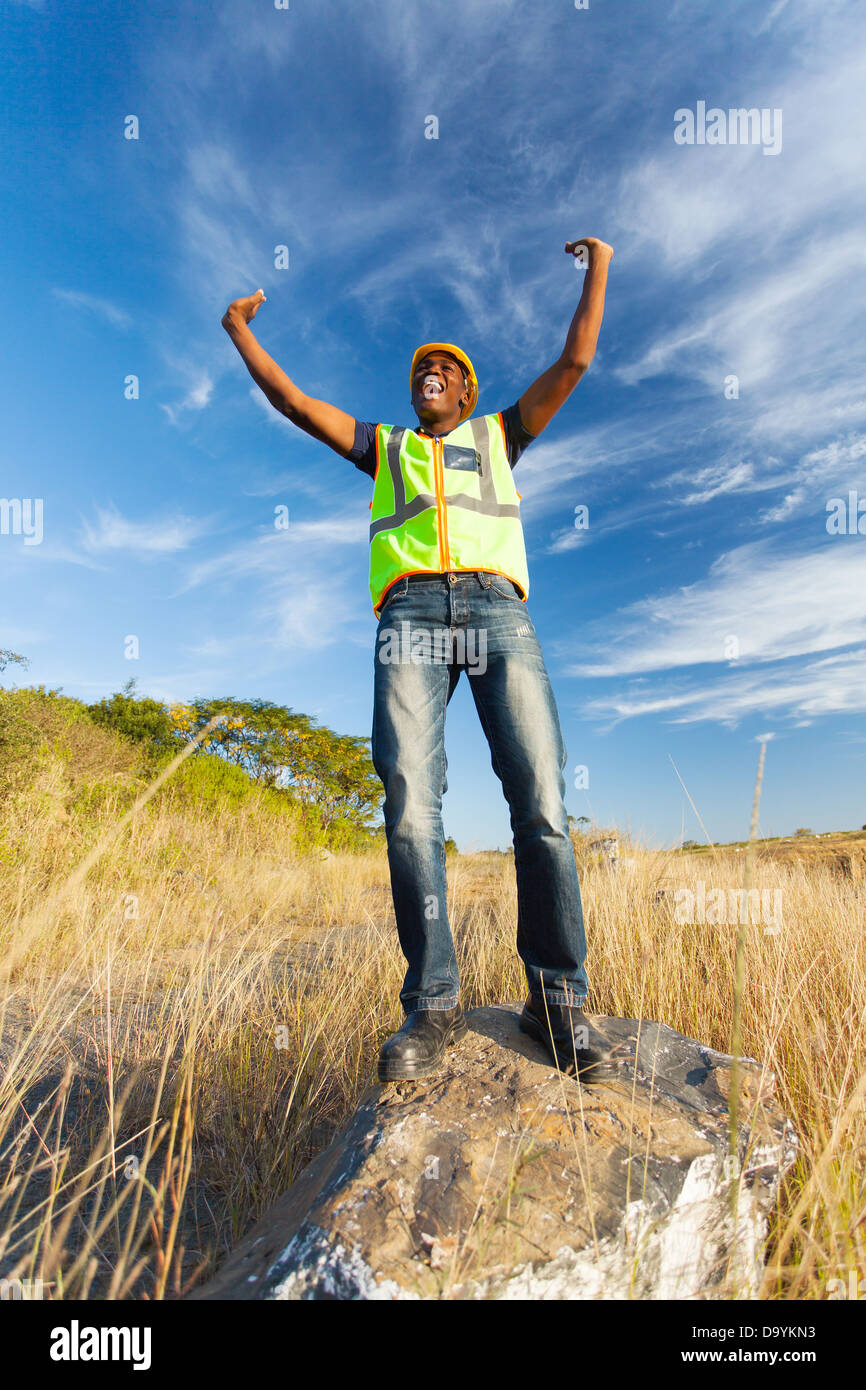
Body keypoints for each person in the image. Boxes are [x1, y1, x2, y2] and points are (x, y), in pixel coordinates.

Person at [222, 237, 626, 1085]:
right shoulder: (385, 448)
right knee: (410, 804)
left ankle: (556, 1001)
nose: (429, 374)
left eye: (445, 368)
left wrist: (599, 266)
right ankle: (432, 1004)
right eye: (420, 371)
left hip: (496, 608)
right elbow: (295, 403)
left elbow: (578, 357)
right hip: (409, 613)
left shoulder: (502, 433)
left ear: (468, 390)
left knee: (542, 801)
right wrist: (238, 331)